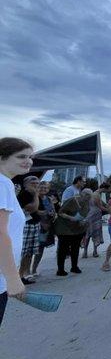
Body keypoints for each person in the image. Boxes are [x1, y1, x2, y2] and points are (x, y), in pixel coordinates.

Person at [0, 138, 33, 326]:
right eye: (21, 156)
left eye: (30, 157)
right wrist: (13, 278)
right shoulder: (2, 183)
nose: (28, 161)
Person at [54, 188, 92, 276]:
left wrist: (84, 221)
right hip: (65, 229)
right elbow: (61, 212)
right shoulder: (72, 200)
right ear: (82, 194)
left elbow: (86, 215)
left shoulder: (87, 203)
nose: (88, 197)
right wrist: (72, 218)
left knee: (75, 248)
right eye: (87, 195)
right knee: (63, 249)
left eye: (90, 196)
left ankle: (74, 267)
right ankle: (60, 269)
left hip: (77, 229)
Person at [17, 176, 41, 284]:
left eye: (37, 184)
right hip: (27, 225)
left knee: (29, 252)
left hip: (34, 224)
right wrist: (36, 194)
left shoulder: (32, 194)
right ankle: (18, 276)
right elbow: (33, 208)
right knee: (24, 252)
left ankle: (22, 275)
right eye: (33, 183)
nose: (36, 186)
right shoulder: (25, 194)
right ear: (25, 184)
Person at [31, 181, 57, 276]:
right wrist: (44, 213)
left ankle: (34, 269)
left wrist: (53, 214)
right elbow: (33, 210)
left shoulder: (49, 199)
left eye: (45, 188)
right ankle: (25, 269)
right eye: (41, 187)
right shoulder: (34, 198)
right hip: (36, 225)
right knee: (31, 249)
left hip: (47, 226)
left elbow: (53, 211)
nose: (43, 189)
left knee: (40, 249)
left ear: (48, 189)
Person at [82, 182, 110, 259]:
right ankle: (94, 251)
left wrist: (108, 206)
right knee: (95, 233)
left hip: (91, 214)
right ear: (104, 188)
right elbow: (100, 206)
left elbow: (103, 204)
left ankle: (85, 252)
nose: (108, 191)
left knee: (88, 234)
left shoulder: (95, 193)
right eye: (107, 189)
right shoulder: (96, 195)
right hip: (95, 215)